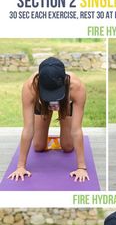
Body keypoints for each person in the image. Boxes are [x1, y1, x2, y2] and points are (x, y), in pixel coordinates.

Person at [6, 54, 88, 185]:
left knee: (67, 146)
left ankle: (62, 133)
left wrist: (81, 167)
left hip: (65, 104)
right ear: (39, 79)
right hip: (42, 104)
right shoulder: (30, 87)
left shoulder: (76, 87)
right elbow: (28, 129)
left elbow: (76, 130)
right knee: (38, 146)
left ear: (65, 79)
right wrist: (20, 166)